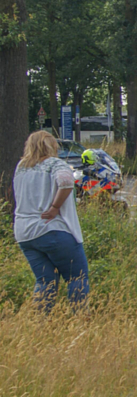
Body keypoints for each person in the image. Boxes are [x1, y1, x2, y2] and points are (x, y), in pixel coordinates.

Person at [12, 131, 89, 311]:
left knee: (45, 280)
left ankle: (41, 320)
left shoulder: (22, 166)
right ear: (52, 145)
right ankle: (80, 318)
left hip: (24, 233)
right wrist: (55, 207)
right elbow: (66, 182)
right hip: (51, 229)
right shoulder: (55, 164)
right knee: (77, 276)